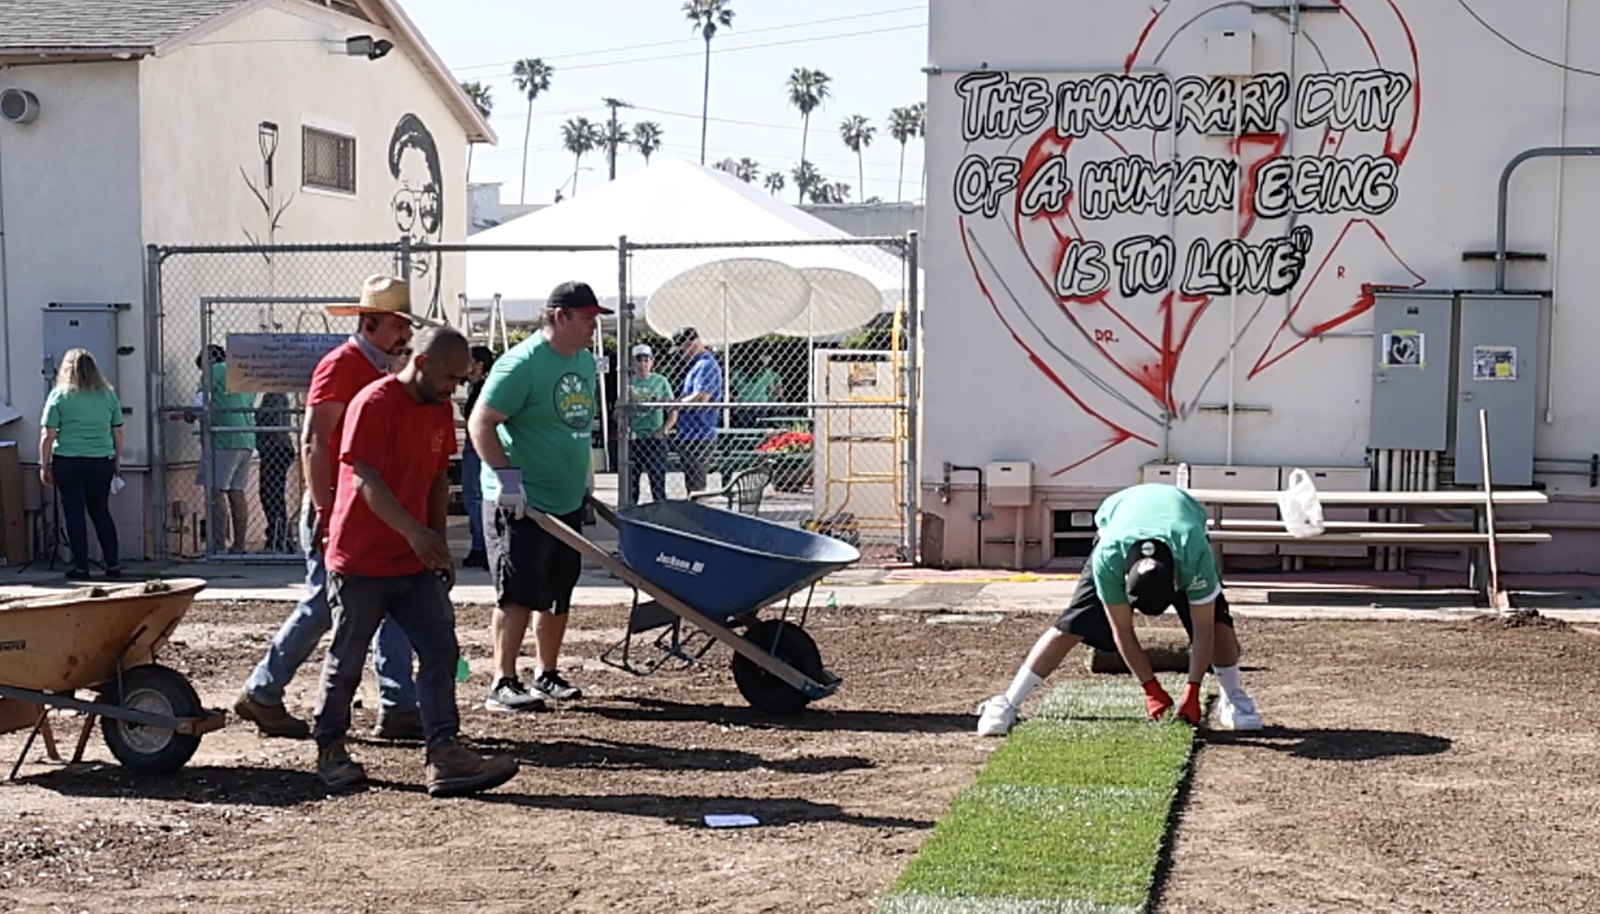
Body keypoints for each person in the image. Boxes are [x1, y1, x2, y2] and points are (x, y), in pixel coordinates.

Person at [312, 325, 519, 798]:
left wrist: (436, 543)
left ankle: (445, 753)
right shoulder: (374, 403)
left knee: (441, 650)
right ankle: (330, 749)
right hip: (361, 560)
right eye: (450, 377)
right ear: (421, 364)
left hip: (413, 563)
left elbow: (434, 478)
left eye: (462, 380)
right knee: (347, 658)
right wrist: (416, 533)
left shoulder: (440, 409)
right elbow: (365, 478)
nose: (457, 388)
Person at [234, 276, 424, 741]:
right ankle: (262, 691)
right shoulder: (342, 365)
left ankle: (399, 704)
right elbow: (316, 441)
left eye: (407, 326)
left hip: (374, 508)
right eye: (398, 326)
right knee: (323, 604)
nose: (405, 335)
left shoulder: (386, 369)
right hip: (340, 510)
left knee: (393, 598)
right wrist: (324, 508)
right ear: (371, 322)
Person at [975, 482, 1264, 736]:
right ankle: (1008, 702)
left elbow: (1203, 630)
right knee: (1072, 624)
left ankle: (1232, 697)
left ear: (1178, 581)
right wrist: (1150, 688)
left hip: (1182, 522)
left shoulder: (1193, 551)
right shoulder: (1109, 558)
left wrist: (1193, 689)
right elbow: (1122, 631)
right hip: (1119, 520)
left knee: (1217, 623)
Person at [469, 280, 608, 712]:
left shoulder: (583, 361)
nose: (592, 327)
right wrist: (508, 481)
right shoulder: (521, 363)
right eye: (586, 318)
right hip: (521, 502)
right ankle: (502, 681)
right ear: (560, 316)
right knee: (517, 591)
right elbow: (482, 422)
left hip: (565, 499)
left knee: (558, 590)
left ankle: (546, 673)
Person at [39, 349, 123, 580]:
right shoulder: (108, 395)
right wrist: (117, 460)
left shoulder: (60, 395)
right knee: (100, 511)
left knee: (74, 514)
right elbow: (117, 431)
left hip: (68, 460)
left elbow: (48, 434)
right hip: (101, 460)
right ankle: (113, 564)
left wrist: (43, 465)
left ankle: (82, 567)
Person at [192, 345, 256, 554]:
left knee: (215, 491)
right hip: (245, 436)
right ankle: (239, 545)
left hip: (223, 438)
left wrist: (189, 415)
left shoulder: (214, 370)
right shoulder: (241, 372)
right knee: (237, 492)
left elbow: (199, 403)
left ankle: (217, 546)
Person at [672, 326, 723, 494]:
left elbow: (701, 397)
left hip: (699, 434)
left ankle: (700, 515)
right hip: (690, 433)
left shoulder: (705, 365)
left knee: (697, 487)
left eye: (681, 350)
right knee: (692, 484)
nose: (681, 355)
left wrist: (675, 404)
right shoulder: (696, 365)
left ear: (690, 345)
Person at [626, 343, 676, 504]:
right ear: (633, 363)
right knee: (632, 485)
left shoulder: (660, 381)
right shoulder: (628, 383)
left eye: (646, 360)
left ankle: (659, 516)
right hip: (635, 439)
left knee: (657, 483)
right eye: (638, 360)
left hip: (655, 440)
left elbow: (673, 411)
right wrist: (626, 426)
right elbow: (618, 412)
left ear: (652, 362)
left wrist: (664, 430)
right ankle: (633, 516)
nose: (643, 364)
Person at [459, 345, 494, 569]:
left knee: (474, 497)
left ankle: (481, 547)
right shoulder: (483, 387)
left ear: (479, 365)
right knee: (478, 496)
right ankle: (483, 545)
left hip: (476, 445)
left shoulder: (481, 389)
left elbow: (476, 421)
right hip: (481, 444)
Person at [256, 391, 297, 554]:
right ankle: (280, 536)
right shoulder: (275, 395)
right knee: (271, 494)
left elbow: (273, 424)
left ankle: (279, 538)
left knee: (271, 494)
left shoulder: (275, 396)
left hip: (276, 448)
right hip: (275, 448)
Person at [731, 352, 784, 429]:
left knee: (743, 426)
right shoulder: (765, 373)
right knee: (759, 427)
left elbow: (731, 388)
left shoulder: (737, 373)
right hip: (759, 403)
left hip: (743, 403)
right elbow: (772, 389)